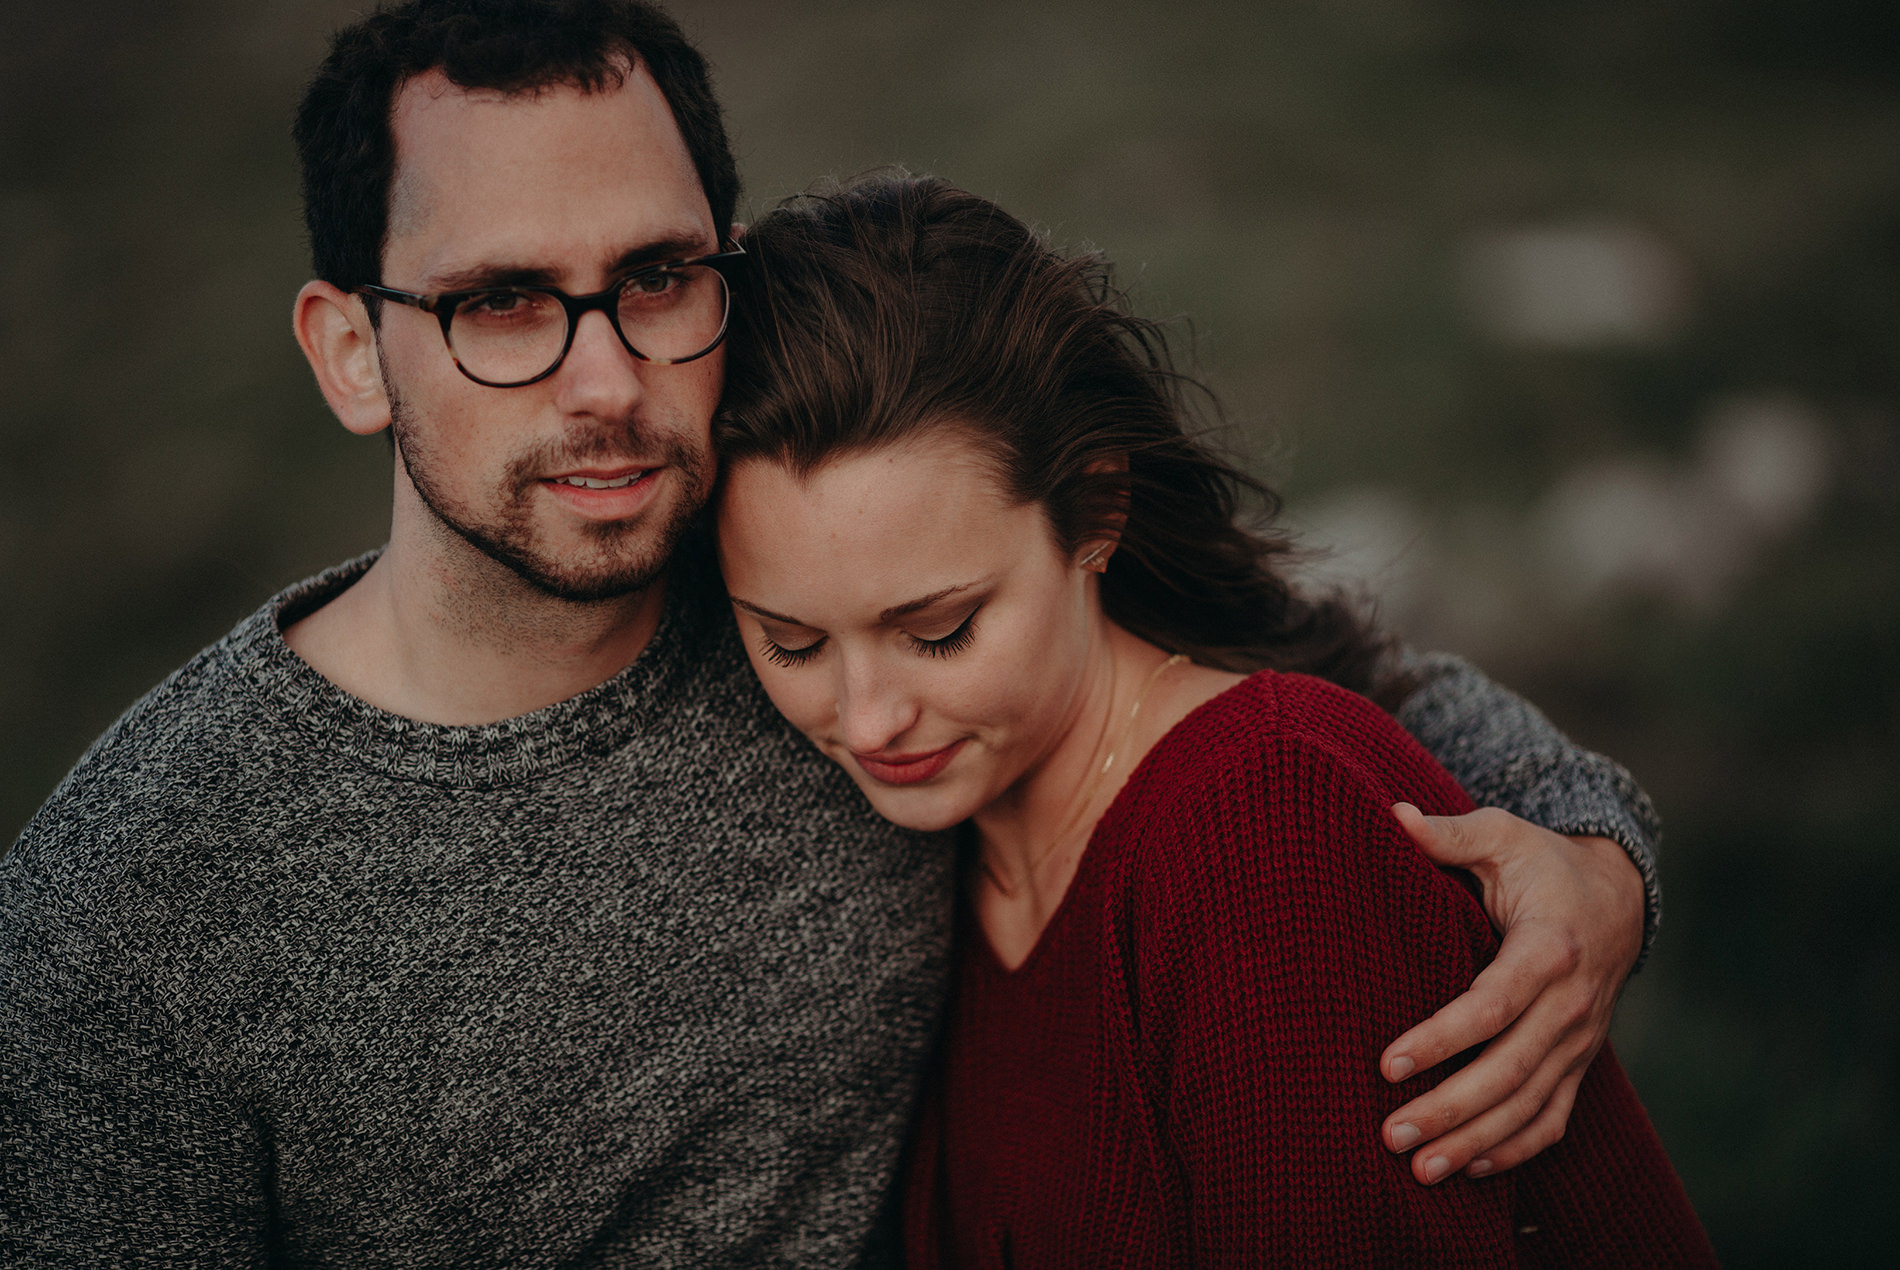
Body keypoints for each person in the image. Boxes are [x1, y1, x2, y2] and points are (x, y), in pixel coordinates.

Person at [1, 2, 1656, 1264]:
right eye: (501, 301)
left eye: (655, 276)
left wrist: (1592, 859)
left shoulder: (793, 570)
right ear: (352, 350)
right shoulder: (128, 907)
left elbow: (1292, 687)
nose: (605, 379)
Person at [714, 173, 1717, 1266]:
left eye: (941, 628)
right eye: (793, 643)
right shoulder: (934, 852)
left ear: (1095, 511)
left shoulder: (1267, 828)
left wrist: (1596, 844)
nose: (867, 720)